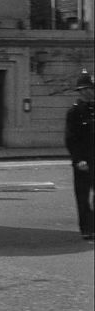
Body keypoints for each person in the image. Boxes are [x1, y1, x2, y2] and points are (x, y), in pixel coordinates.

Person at [64, 69, 94, 241]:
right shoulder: (74, 112)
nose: (89, 92)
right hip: (84, 161)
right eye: (86, 89)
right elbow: (71, 138)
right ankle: (87, 229)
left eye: (91, 89)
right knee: (83, 197)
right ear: (81, 91)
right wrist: (78, 159)